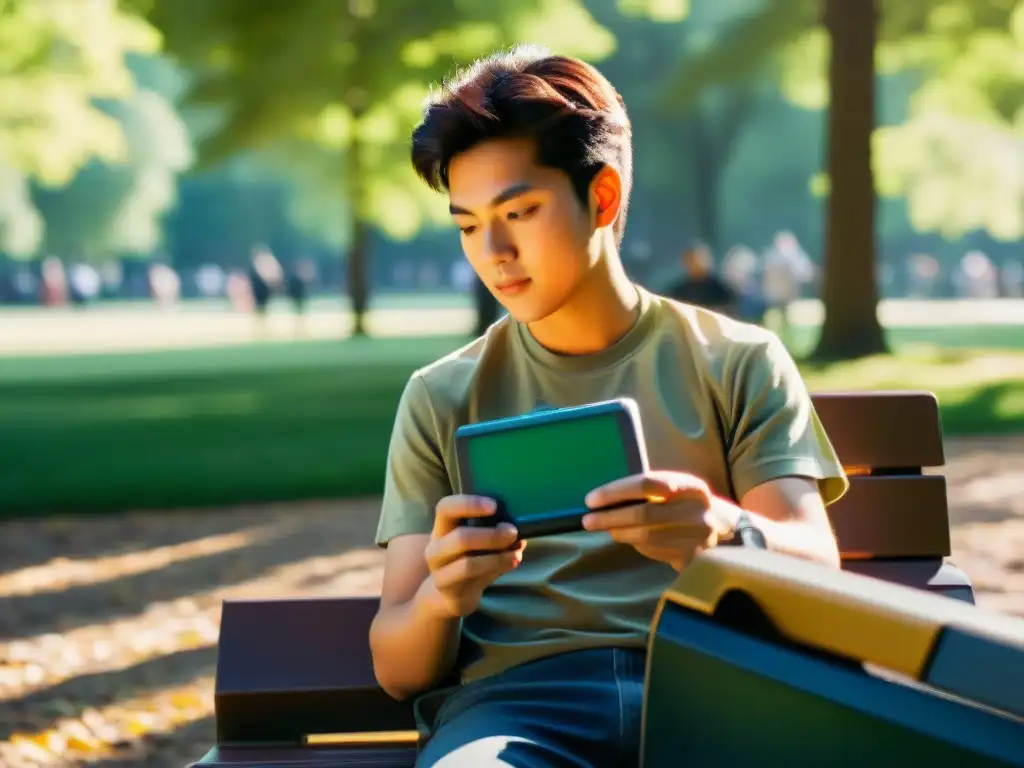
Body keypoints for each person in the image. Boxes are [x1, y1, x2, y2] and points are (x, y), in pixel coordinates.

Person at [371, 46, 848, 768]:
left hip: (720, 693)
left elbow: (820, 574)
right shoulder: (441, 395)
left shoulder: (737, 359)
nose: (493, 251)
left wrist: (726, 529)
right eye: (467, 224)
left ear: (603, 197)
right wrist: (442, 596)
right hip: (518, 715)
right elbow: (397, 664)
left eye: (519, 211)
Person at [663, 243, 736, 315]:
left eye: (700, 258)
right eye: (691, 260)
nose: (696, 264)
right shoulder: (678, 292)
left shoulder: (721, 290)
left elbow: (729, 312)